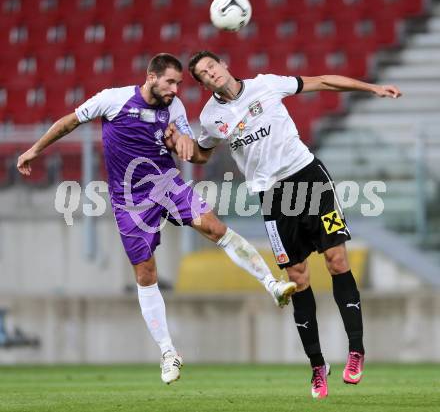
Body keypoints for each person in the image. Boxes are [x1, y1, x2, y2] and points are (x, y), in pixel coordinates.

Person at [16, 53, 297, 385]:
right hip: (129, 200)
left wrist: (181, 145)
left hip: (167, 183)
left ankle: (273, 284)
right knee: (146, 272)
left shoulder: (173, 109)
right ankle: (168, 352)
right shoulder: (113, 99)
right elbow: (69, 122)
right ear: (151, 77)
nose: (176, 90)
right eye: (171, 82)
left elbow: (184, 144)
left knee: (214, 227)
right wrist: (35, 150)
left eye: (179, 83)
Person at [166, 50, 402, 398]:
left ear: (224, 65)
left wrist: (372, 88)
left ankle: (356, 351)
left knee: (337, 261)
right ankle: (317, 367)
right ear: (201, 84)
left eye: (212, 66)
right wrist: (178, 144)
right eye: (202, 74)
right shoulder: (212, 118)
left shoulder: (266, 84)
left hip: (308, 177)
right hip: (272, 196)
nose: (210, 73)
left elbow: (322, 81)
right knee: (297, 279)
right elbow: (203, 153)